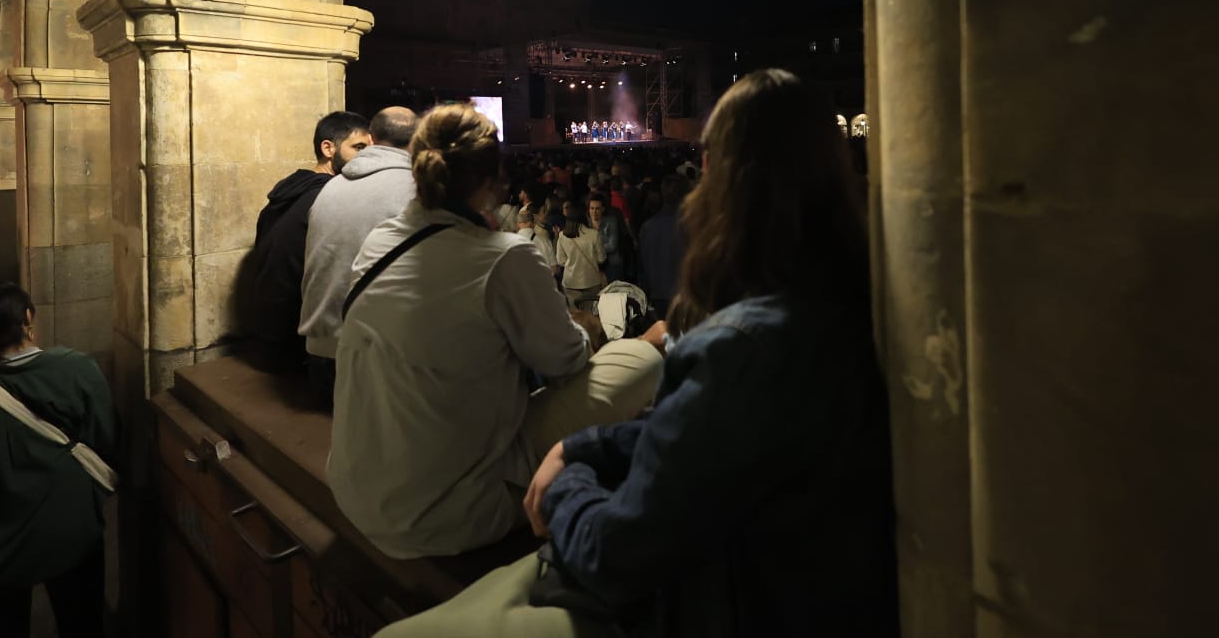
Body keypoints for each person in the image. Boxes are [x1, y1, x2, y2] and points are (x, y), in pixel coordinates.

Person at [375, 69, 896, 638]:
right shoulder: (860, 300)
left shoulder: (738, 347)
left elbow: (618, 552)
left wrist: (569, 483)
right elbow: (703, 432)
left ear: (722, 179)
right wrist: (586, 445)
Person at [328, 103, 665, 560]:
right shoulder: (504, 256)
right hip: (449, 514)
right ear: (491, 181)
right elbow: (567, 362)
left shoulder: (379, 241)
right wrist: (591, 332)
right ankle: (651, 347)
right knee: (636, 360)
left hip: (356, 493)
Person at [0, 282, 117, 638]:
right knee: (82, 621)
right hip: (71, 529)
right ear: (27, 318)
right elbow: (104, 439)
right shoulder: (77, 369)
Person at [234, 111, 370, 373]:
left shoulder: (293, 187)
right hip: (295, 344)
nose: (367, 157)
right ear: (328, 148)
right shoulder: (329, 197)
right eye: (359, 147)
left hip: (268, 332)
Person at [299, 107, 418, 404]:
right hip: (372, 359)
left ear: (373, 139)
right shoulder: (417, 189)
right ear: (418, 141)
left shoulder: (329, 187)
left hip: (318, 351)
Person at [637, 174, 690, 319]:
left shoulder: (648, 227)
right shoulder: (690, 226)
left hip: (658, 295)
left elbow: (642, 266)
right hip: (684, 295)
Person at [555, 201, 605, 311]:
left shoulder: (562, 235)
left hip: (570, 281)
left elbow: (560, 261)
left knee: (576, 316)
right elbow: (601, 259)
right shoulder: (593, 234)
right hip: (591, 280)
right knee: (590, 315)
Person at [587, 191, 632, 285]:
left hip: (611, 263)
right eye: (592, 208)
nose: (594, 212)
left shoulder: (610, 221)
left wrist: (593, 248)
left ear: (603, 209)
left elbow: (612, 246)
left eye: (597, 209)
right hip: (593, 264)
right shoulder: (586, 223)